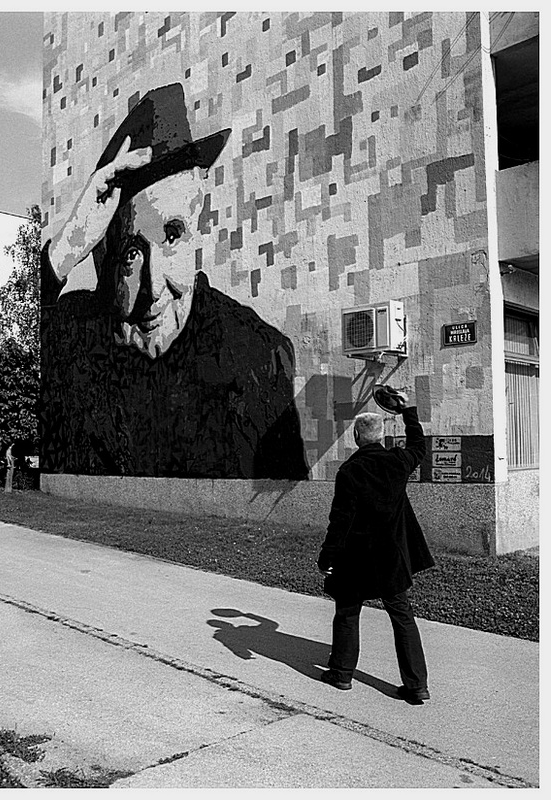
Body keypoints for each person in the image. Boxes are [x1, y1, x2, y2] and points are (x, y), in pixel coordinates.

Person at [40, 83, 309, 480]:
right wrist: (64, 250)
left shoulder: (259, 355)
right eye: (132, 252)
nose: (154, 287)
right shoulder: (70, 339)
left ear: (196, 231)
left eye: (172, 235)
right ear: (102, 256)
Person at [317, 392, 435, 703]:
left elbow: (340, 521)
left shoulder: (349, 471)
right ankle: (416, 685)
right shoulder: (398, 462)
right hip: (391, 556)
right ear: (381, 436)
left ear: (357, 437)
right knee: (402, 616)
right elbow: (418, 446)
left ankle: (342, 675)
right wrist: (408, 409)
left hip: (356, 557)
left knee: (346, 612)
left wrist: (327, 557)